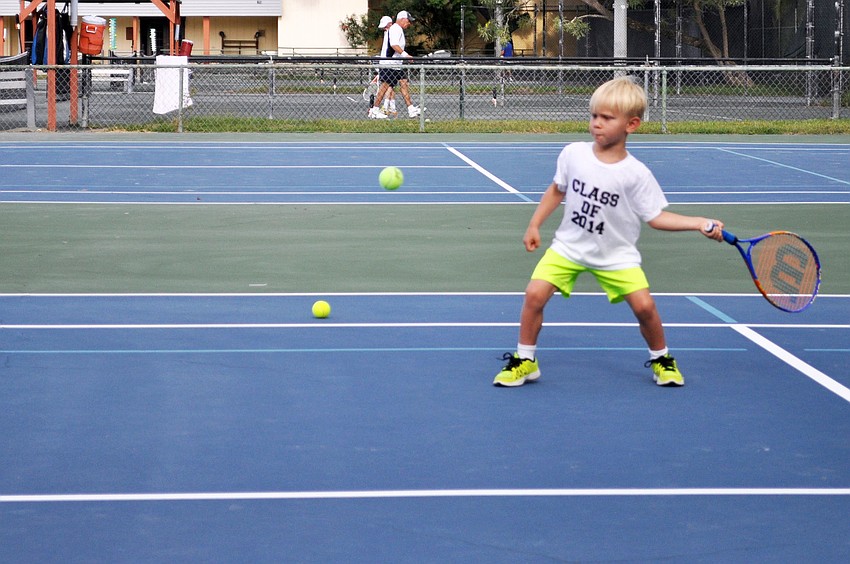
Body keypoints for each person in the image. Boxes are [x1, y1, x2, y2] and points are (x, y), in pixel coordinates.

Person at [493, 76, 725, 388]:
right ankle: (525, 359)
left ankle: (662, 359)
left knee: (645, 307)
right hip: (568, 248)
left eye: (607, 118)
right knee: (534, 295)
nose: (597, 124)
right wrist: (535, 224)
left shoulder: (637, 174)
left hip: (617, 255)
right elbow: (556, 190)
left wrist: (698, 222)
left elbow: (655, 217)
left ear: (631, 125)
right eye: (594, 116)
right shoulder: (573, 154)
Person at [368, 10, 422, 119]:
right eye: (408, 21)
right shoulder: (395, 29)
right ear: (403, 19)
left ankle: (411, 109)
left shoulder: (398, 29)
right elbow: (394, 44)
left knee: (404, 82)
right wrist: (406, 55)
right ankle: (374, 110)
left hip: (396, 64)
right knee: (384, 87)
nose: (409, 24)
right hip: (389, 64)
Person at [371, 15, 397, 118]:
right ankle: (386, 107)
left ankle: (386, 108)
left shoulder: (392, 33)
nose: (384, 29)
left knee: (389, 86)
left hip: (389, 64)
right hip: (386, 64)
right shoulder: (388, 33)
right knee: (388, 86)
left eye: (385, 27)